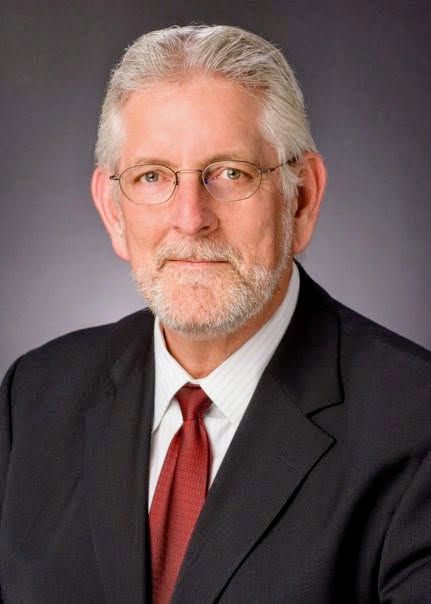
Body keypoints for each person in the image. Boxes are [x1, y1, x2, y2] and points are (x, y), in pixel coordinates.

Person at [0, 24, 430, 604]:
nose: (190, 217)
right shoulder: (33, 399)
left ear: (301, 199)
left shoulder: (415, 423)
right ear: (114, 212)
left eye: (230, 173)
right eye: (152, 176)